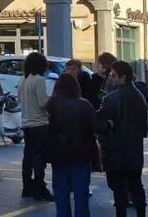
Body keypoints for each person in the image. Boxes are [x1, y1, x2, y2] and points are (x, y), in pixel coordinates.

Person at [97, 61, 148, 217]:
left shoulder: (112, 97)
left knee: (119, 191)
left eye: (113, 75)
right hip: (135, 148)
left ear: (123, 77)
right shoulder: (139, 96)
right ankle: (141, 213)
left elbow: (98, 119)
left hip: (116, 148)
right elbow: (143, 128)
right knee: (136, 185)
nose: (111, 79)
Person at [45, 73, 97, 217]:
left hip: (59, 154)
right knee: (81, 194)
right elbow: (94, 127)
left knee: (61, 192)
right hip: (81, 154)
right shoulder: (84, 105)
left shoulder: (51, 104)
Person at [18, 52, 52, 201]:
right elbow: (42, 103)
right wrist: (52, 98)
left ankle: (27, 186)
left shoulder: (22, 80)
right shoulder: (39, 80)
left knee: (28, 156)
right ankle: (40, 187)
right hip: (39, 122)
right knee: (40, 158)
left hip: (26, 122)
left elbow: (20, 100)